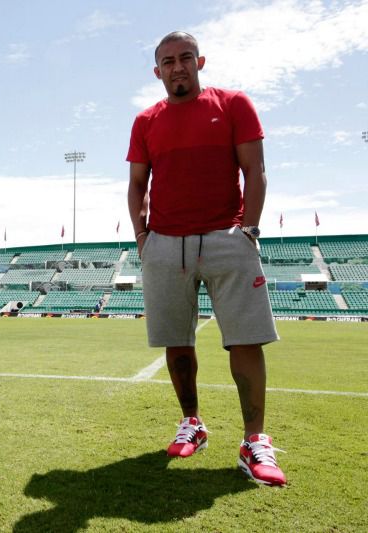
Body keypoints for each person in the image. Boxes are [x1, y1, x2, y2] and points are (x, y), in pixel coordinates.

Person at [126, 31, 286, 486]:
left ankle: (254, 441)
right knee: (177, 342)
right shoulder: (145, 121)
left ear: (200, 61)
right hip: (165, 244)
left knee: (246, 340)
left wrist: (248, 231)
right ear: (157, 71)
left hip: (226, 238)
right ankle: (192, 423)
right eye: (168, 61)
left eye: (186, 58)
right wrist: (143, 237)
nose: (178, 67)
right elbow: (138, 184)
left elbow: (254, 169)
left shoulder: (234, 104)